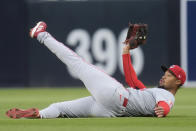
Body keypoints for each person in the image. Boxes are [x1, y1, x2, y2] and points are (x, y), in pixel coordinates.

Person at [6, 21, 186, 119]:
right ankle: (40, 115)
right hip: (109, 110)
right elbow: (132, 81)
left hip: (115, 97)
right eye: (165, 72)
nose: (164, 76)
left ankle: (41, 34)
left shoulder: (167, 96)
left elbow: (165, 105)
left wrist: (163, 110)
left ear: (178, 82)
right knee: (60, 108)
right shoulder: (151, 94)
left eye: (169, 75)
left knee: (77, 63)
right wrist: (125, 52)